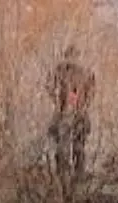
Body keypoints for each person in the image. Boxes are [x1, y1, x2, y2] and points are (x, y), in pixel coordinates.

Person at [47, 45, 95, 183]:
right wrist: (58, 102)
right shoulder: (62, 71)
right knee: (68, 147)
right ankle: (67, 176)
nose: (73, 59)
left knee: (75, 147)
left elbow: (89, 92)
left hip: (73, 114)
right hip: (70, 113)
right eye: (71, 55)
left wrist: (80, 106)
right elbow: (49, 86)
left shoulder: (78, 72)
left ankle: (71, 176)